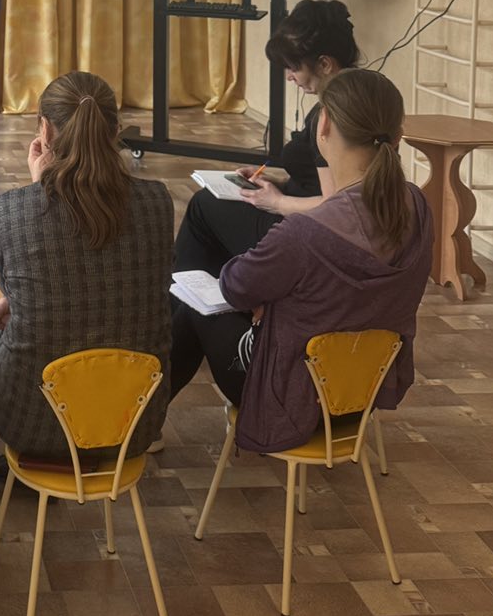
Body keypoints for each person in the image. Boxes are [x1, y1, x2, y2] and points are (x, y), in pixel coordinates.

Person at [168, 68, 432, 452]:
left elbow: (235, 286)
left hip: (291, 400)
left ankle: (138, 426)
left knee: (195, 307)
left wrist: (265, 298)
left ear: (323, 125)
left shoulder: (305, 233)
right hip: (362, 395)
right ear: (397, 134)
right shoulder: (418, 206)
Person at [0, 71, 174, 467]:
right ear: (116, 131)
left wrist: (39, 188)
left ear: (44, 131)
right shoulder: (158, 201)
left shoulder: (10, 210)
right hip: (136, 420)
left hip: (29, 419)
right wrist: (42, 190)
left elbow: (20, 281)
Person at [172, 0, 360, 279]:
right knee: (218, 209)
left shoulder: (329, 118)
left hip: (304, 234)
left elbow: (336, 207)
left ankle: (188, 297)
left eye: (294, 67)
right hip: (309, 221)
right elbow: (344, 188)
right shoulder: (364, 94)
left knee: (203, 206)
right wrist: (277, 184)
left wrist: (277, 202)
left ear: (324, 64)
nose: (289, 77)